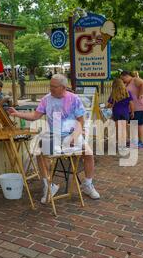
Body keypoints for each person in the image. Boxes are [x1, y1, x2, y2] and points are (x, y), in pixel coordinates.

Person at [7, 74, 100, 204]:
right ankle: (49, 187)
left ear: (63, 87)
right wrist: (17, 114)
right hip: (54, 135)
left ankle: (88, 185)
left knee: (89, 153)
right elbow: (35, 115)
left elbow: (80, 122)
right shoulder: (46, 99)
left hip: (71, 134)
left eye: (54, 86)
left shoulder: (74, 99)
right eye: (50, 85)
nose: (50, 88)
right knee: (40, 153)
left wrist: (74, 136)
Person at [120, 70, 143, 149]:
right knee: (133, 124)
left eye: (123, 79)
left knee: (139, 124)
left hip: (140, 106)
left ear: (126, 76)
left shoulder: (135, 80)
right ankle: (134, 142)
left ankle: (141, 142)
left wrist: (141, 94)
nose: (122, 81)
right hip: (132, 108)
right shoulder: (127, 83)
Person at [107, 78, 134, 153]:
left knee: (118, 130)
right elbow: (131, 103)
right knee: (124, 130)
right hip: (125, 113)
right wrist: (132, 112)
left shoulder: (113, 94)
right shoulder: (127, 93)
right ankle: (123, 146)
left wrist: (109, 106)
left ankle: (119, 144)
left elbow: (109, 105)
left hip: (116, 113)